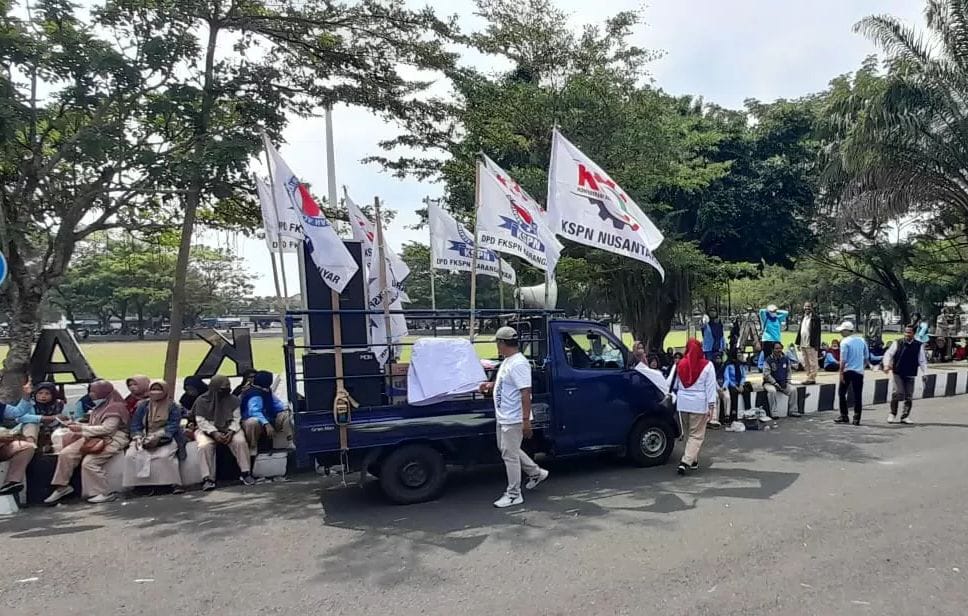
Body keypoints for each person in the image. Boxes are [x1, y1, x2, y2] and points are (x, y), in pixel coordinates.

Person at [479, 326, 548, 508]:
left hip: (513, 417)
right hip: (504, 415)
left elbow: (525, 392)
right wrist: (491, 385)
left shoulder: (518, 363)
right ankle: (535, 472)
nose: (497, 347)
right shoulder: (508, 361)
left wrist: (526, 421)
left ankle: (514, 493)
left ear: (502, 343)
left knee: (509, 454)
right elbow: (506, 383)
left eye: (497, 343)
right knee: (508, 449)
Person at [45, 380, 131, 504]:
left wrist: (81, 429)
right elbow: (95, 425)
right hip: (93, 436)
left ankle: (101, 492)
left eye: (94, 392)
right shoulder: (101, 406)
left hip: (113, 438)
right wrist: (77, 425)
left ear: (103, 393)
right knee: (66, 454)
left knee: (89, 462)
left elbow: (108, 429)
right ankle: (62, 486)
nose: (91, 395)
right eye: (91, 392)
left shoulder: (115, 407)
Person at [192, 375, 255, 491]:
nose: (227, 389)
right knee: (204, 446)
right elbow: (201, 421)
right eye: (223, 387)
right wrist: (214, 433)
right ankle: (208, 479)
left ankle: (246, 473)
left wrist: (231, 431)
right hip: (208, 430)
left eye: (228, 386)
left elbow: (236, 418)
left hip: (229, 428)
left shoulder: (234, 400)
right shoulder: (201, 401)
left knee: (240, 441)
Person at [124, 380, 184, 494]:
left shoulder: (173, 407)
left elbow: (173, 425)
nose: (155, 392)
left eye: (158, 390)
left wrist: (158, 437)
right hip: (145, 435)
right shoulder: (143, 405)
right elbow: (136, 424)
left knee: (164, 456)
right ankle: (141, 486)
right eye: (153, 390)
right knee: (131, 455)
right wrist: (137, 437)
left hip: (165, 437)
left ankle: (170, 484)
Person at [668, 339, 717, 475]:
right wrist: (712, 406)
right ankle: (686, 461)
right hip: (699, 403)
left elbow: (675, 384)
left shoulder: (681, 364)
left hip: (683, 403)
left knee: (688, 432)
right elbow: (711, 388)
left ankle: (692, 459)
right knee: (696, 435)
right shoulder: (708, 365)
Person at [882, 325, 928, 424]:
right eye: (906, 332)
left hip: (910, 373)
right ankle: (892, 413)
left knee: (909, 395)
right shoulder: (897, 343)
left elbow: (922, 360)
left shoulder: (918, 345)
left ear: (913, 334)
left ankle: (905, 416)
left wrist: (925, 373)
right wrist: (886, 365)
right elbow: (888, 354)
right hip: (898, 372)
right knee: (898, 392)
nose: (907, 334)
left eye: (909, 332)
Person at [241, 370, 294, 452]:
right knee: (253, 422)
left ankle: (291, 441)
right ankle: (253, 447)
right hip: (254, 422)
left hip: (270, 417)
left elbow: (276, 403)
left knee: (286, 414)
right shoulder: (253, 393)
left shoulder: (267, 390)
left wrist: (286, 408)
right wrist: (266, 424)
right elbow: (254, 412)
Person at [835, 322, 870, 426]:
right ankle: (857, 417)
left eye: (842, 330)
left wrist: (840, 373)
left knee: (842, 393)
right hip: (859, 371)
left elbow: (843, 359)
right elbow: (866, 356)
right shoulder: (862, 340)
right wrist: (862, 367)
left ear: (847, 331)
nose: (841, 332)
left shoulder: (845, 342)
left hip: (847, 370)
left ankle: (844, 415)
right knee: (857, 395)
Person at [763, 342, 800, 418]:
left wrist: (788, 380)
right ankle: (774, 412)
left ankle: (793, 411)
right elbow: (766, 374)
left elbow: (789, 370)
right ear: (772, 349)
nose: (778, 350)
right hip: (770, 383)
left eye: (780, 348)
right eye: (776, 348)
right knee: (772, 391)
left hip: (783, 382)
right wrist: (774, 383)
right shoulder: (768, 360)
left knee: (793, 390)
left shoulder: (785, 358)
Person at [795, 302, 822, 384]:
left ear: (812, 308)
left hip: (811, 343)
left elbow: (818, 332)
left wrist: (817, 344)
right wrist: (798, 342)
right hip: (803, 342)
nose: (807, 308)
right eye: (806, 306)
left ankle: (812, 378)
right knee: (805, 361)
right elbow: (800, 330)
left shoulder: (815, 318)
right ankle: (809, 377)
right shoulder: (803, 317)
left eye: (809, 306)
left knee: (812, 361)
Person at [723, 352, 751, 427]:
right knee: (733, 393)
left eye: (741, 356)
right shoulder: (728, 365)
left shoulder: (741, 365)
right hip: (732, 384)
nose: (741, 357)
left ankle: (748, 412)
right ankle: (733, 415)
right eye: (738, 356)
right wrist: (735, 386)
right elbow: (727, 378)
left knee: (747, 391)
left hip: (740, 384)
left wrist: (741, 385)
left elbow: (743, 376)